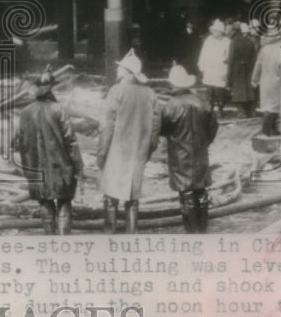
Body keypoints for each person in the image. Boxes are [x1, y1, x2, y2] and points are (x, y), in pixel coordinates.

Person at [14, 69, 84, 234]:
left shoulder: (25, 112)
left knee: (44, 201)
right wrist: (79, 166)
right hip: (61, 166)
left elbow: (20, 143)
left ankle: (49, 239)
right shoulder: (59, 110)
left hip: (36, 167)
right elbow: (71, 141)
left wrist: (27, 168)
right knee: (64, 201)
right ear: (51, 89)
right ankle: (63, 241)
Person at [98, 50, 160, 233]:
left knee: (111, 194)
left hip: (117, 151)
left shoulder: (116, 91)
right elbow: (156, 126)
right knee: (133, 196)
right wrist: (149, 149)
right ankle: (131, 234)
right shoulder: (150, 93)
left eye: (120, 68)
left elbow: (107, 125)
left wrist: (102, 152)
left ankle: (110, 234)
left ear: (126, 71)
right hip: (139, 151)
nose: (117, 71)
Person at [158, 64, 219, 233]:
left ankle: (192, 231)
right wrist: (204, 142)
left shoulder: (170, 105)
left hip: (180, 154)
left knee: (186, 193)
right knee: (201, 191)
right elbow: (213, 127)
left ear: (173, 84)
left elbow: (162, 129)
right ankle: (202, 228)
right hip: (200, 153)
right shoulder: (202, 102)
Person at [252, 26, 281, 136]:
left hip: (265, 80)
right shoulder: (280, 49)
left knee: (270, 106)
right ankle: (265, 130)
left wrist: (254, 79)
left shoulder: (264, 49)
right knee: (273, 106)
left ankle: (273, 129)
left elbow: (258, 64)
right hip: (276, 80)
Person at [198, 19, 231, 115]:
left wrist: (226, 61)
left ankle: (220, 109)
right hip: (210, 68)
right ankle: (210, 109)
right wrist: (202, 65)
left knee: (220, 91)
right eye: (214, 30)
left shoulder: (227, 41)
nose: (214, 32)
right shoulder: (208, 40)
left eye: (217, 31)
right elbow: (203, 53)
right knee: (210, 90)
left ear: (221, 32)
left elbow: (229, 55)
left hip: (220, 69)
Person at [228, 22, 258, 118]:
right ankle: (252, 111)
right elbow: (254, 58)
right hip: (249, 68)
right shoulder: (249, 42)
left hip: (237, 68)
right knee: (249, 89)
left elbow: (231, 58)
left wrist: (229, 75)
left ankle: (241, 112)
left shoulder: (233, 42)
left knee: (239, 89)